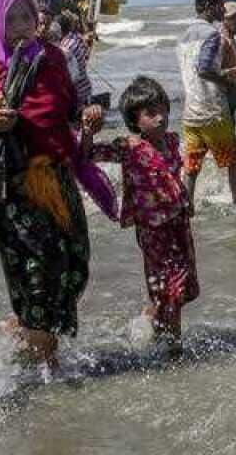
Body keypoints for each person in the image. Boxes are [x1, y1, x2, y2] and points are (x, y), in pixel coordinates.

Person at [0, 0, 106, 367]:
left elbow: (71, 110)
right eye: (11, 19)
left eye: (27, 16)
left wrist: (88, 120)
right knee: (38, 270)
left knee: (76, 266)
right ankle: (48, 371)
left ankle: (26, 330)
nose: (22, 26)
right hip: (11, 184)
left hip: (57, 176)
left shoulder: (54, 59)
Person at [82, 76, 198, 352]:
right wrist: (88, 131)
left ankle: (153, 322)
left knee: (181, 287)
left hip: (178, 223)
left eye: (163, 110)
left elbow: (172, 176)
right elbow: (87, 155)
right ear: (135, 119)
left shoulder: (171, 142)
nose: (160, 118)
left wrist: (186, 198)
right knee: (169, 285)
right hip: (152, 229)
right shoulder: (129, 147)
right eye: (151, 113)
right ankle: (174, 346)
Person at [178, 0, 236, 208]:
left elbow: (195, 71)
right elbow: (205, 69)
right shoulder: (211, 35)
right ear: (210, 6)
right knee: (232, 163)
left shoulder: (184, 36)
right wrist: (229, 80)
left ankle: (187, 209)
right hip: (213, 112)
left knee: (191, 168)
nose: (223, 11)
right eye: (220, 5)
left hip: (191, 114)